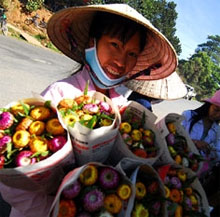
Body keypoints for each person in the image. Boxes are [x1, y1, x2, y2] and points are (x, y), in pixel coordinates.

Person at [0, 4, 177, 217]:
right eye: (114, 44)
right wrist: (54, 211)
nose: (121, 61)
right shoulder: (59, 96)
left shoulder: (120, 104)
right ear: (92, 43)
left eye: (131, 53)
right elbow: (13, 185)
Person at [181, 90, 220, 215]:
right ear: (209, 105)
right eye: (216, 109)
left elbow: (217, 155)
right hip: (176, 160)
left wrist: (211, 151)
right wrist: (193, 142)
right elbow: (174, 135)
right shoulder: (188, 116)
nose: (217, 115)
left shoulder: (217, 131)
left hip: (194, 173)